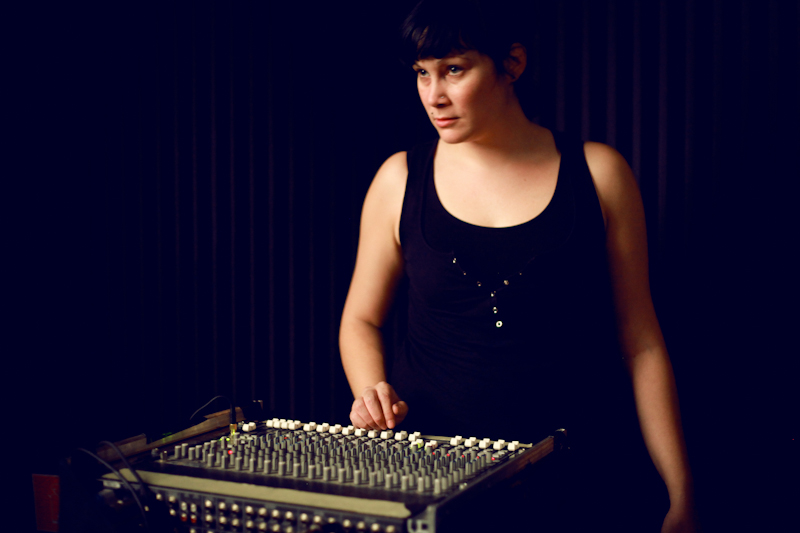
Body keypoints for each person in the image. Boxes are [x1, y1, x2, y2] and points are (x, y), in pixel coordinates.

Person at [339, 1, 697, 531]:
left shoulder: (599, 174)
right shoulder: (399, 179)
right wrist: (371, 392)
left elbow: (641, 342)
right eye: (421, 73)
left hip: (576, 479)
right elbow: (361, 319)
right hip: (432, 477)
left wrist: (681, 493)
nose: (433, 95)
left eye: (454, 69)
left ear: (512, 63)